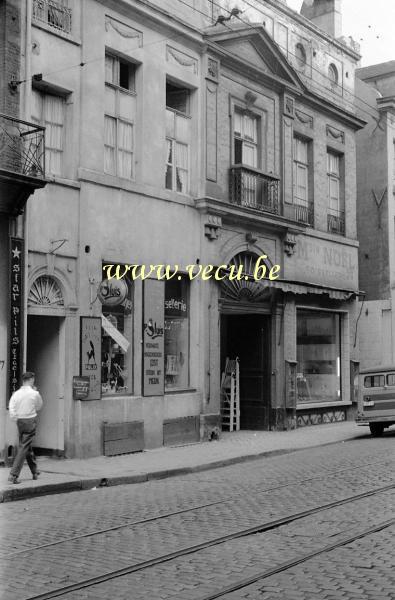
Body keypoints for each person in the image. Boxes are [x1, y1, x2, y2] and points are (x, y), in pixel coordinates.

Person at [8, 371, 43, 484]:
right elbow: (39, 406)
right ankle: (14, 474)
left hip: (20, 421)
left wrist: (15, 418)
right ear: (31, 380)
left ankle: (34, 470)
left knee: (26, 445)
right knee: (24, 447)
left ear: (23, 381)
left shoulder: (16, 393)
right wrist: (36, 392)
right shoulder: (34, 393)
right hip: (30, 420)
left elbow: (11, 407)